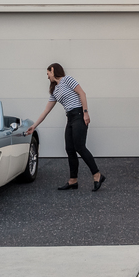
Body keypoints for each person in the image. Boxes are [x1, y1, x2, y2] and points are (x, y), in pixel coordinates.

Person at [27, 63, 106, 191]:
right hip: (70, 118)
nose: (47, 77)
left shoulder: (67, 79)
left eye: (48, 73)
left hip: (79, 114)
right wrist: (34, 126)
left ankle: (97, 174)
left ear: (53, 70)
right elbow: (46, 111)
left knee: (80, 146)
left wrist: (85, 112)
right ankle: (73, 180)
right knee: (69, 148)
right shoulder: (54, 90)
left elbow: (82, 93)